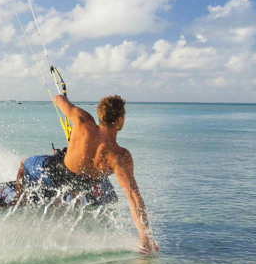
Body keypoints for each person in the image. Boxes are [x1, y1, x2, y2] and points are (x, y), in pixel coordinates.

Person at [14, 94, 158, 254]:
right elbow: (134, 197)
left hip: (55, 174)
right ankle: (63, 198)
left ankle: (19, 202)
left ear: (99, 115)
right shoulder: (120, 156)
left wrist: (62, 98)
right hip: (85, 184)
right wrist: (145, 237)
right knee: (94, 179)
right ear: (119, 120)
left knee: (23, 163)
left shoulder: (83, 120)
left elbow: (59, 99)